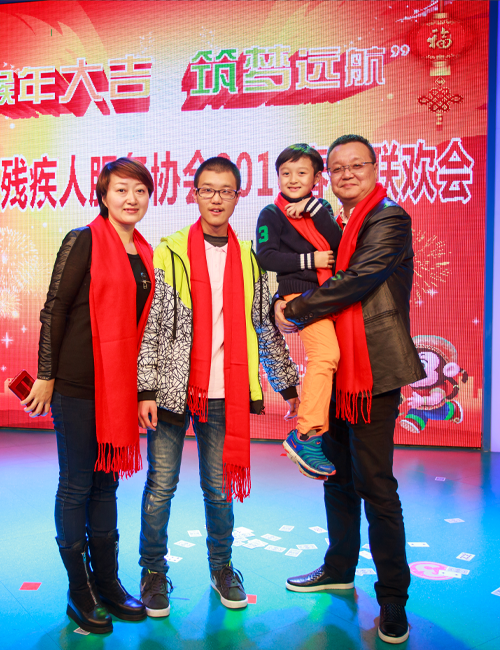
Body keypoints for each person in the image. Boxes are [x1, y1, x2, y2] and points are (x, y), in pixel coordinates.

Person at [274, 135, 425, 645]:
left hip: (373, 373)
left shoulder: (388, 219)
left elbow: (359, 278)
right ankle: (339, 568)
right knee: (336, 479)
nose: (346, 174)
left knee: (376, 487)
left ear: (375, 168)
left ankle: (393, 600)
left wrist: (296, 310)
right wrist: (283, 301)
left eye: (356, 165)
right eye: (336, 168)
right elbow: (302, 269)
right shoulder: (333, 226)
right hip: (339, 370)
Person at [137, 156, 299, 616]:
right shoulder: (170, 252)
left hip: (224, 390)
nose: (216, 199)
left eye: (225, 191)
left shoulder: (250, 259)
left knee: (219, 488)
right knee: (160, 486)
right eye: (207, 189)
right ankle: (152, 572)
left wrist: (288, 386)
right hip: (173, 388)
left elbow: (263, 326)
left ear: (237, 197)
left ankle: (222, 567)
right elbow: (153, 324)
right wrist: (146, 389)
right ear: (194, 194)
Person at [23, 158, 155, 634]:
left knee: (106, 485)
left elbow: (143, 328)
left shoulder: (144, 251)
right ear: (103, 195)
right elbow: (55, 308)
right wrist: (45, 374)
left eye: (140, 190)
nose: (131, 199)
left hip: (117, 390)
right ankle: (79, 591)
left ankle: (108, 583)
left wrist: (142, 389)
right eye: (121, 190)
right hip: (77, 385)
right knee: (77, 484)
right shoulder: (83, 239)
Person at [256, 144, 342, 478]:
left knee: (333, 360)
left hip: (330, 294)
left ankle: (318, 433)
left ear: (317, 178)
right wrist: (311, 260)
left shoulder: (322, 209)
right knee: (326, 355)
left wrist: (316, 210)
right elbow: (266, 256)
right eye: (285, 173)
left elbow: (339, 246)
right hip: (300, 296)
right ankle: (306, 434)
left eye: (301, 173)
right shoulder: (271, 213)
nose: (293, 179)